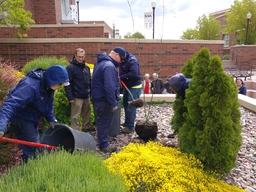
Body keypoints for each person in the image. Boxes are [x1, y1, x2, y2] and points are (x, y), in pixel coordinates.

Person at [0, 65, 69, 162]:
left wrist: (51, 119)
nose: (60, 86)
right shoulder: (30, 86)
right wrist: (1, 126)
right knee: (32, 150)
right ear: (52, 78)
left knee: (35, 147)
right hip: (22, 119)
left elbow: (48, 105)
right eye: (59, 83)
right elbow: (10, 104)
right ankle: (29, 172)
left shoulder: (48, 86)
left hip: (32, 118)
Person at [91, 47, 125, 153]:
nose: (121, 62)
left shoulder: (100, 63)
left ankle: (102, 139)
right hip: (104, 100)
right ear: (116, 55)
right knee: (105, 121)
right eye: (122, 59)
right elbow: (109, 87)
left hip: (98, 98)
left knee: (101, 120)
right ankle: (104, 145)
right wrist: (112, 103)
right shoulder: (109, 66)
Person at [64, 48, 93, 132]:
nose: (81, 58)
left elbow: (89, 80)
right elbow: (67, 83)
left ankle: (86, 127)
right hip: (76, 96)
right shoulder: (70, 68)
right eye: (79, 57)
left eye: (82, 57)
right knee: (75, 115)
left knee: (86, 113)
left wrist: (90, 93)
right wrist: (70, 97)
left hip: (86, 95)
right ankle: (75, 130)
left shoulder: (86, 67)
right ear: (75, 56)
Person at [119, 47, 142, 133]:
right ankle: (127, 122)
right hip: (127, 86)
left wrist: (120, 77)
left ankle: (130, 126)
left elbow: (134, 73)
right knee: (126, 105)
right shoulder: (123, 60)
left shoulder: (132, 61)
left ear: (121, 56)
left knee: (131, 106)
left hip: (134, 87)